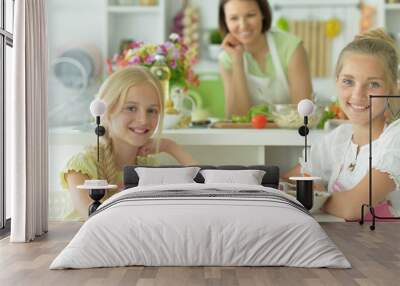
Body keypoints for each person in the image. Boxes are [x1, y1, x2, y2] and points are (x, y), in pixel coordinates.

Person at [284, 28, 400, 220]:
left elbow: (354, 208)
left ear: (392, 89)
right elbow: (289, 179)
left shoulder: (395, 139)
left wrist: (317, 197)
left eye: (373, 84)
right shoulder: (339, 137)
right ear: (337, 82)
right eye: (348, 81)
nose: (358, 95)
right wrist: (313, 190)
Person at [60, 65, 196, 220]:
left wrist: (171, 147)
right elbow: (97, 221)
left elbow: (204, 189)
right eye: (131, 108)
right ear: (107, 111)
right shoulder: (82, 166)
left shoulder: (148, 167)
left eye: (151, 110)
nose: (143, 120)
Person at [218, 0, 313, 117]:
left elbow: (303, 113)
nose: (243, 25)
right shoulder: (227, 59)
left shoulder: (290, 47)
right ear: (225, 21)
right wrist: (237, 60)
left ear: (262, 14)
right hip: (248, 134)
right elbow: (237, 118)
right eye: (233, 18)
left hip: (290, 133)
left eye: (250, 15)